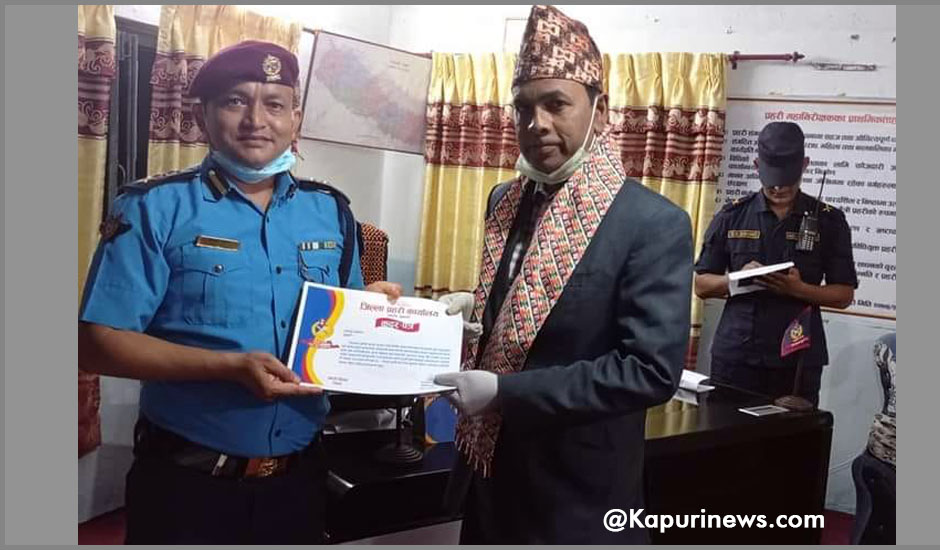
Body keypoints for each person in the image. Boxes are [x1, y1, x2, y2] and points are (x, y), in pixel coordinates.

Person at [77, 40, 401, 544]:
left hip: (298, 482)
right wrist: (228, 367)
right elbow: (97, 343)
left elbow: (341, 327)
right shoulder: (153, 207)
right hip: (188, 487)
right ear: (202, 116)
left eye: (274, 104)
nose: (256, 120)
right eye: (235, 101)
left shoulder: (330, 211)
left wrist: (374, 310)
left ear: (295, 119)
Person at [433, 5, 693, 544]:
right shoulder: (507, 200)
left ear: (600, 111)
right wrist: (476, 308)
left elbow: (648, 370)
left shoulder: (649, 223)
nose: (537, 125)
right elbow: (533, 302)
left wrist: (505, 392)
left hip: (576, 495)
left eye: (556, 104)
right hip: (490, 475)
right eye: (523, 108)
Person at [693, 121, 858, 405]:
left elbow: (844, 294)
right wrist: (734, 280)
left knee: (792, 433)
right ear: (757, 166)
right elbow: (701, 285)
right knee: (723, 431)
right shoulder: (732, 216)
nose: (779, 187)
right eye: (771, 180)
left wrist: (799, 289)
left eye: (787, 179)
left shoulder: (829, 221)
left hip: (797, 357)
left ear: (804, 165)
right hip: (737, 356)